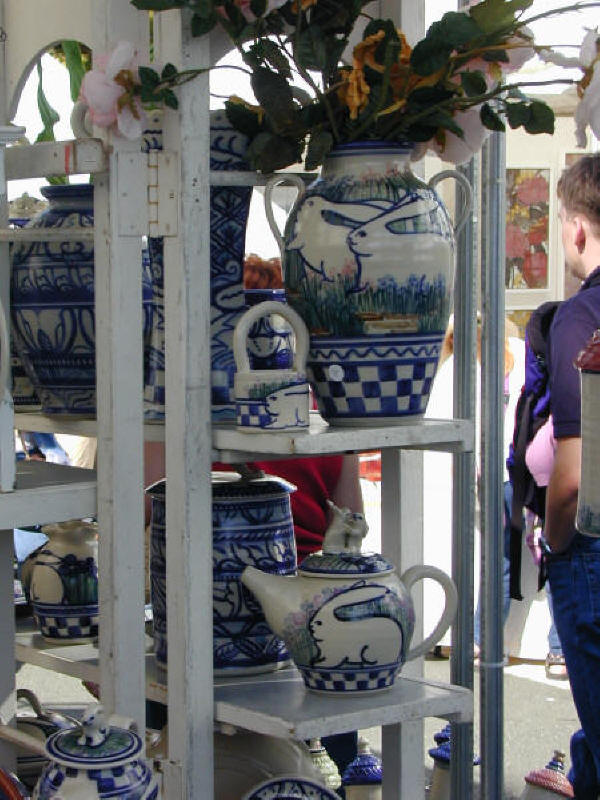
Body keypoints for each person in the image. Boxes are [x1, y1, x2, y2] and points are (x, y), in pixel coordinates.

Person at [543, 154, 600, 798]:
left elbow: (574, 471)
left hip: (592, 546)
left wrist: (554, 541)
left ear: (578, 229)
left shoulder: (581, 317)